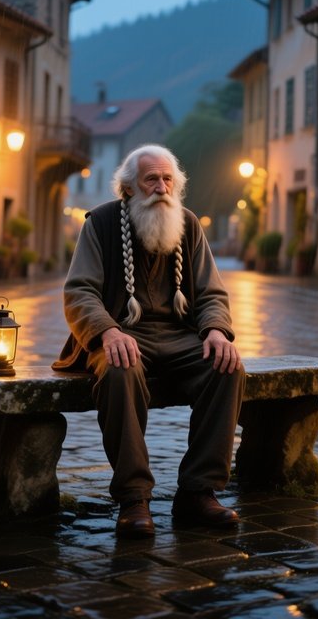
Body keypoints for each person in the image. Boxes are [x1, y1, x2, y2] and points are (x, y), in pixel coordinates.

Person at [55, 143, 245, 538]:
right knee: (119, 370)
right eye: (151, 179)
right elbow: (79, 292)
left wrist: (215, 330)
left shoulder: (189, 224)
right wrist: (107, 331)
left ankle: (198, 491)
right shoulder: (101, 223)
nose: (161, 187)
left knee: (226, 367)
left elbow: (211, 292)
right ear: (129, 189)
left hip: (180, 336)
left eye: (167, 179)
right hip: (119, 335)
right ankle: (134, 498)